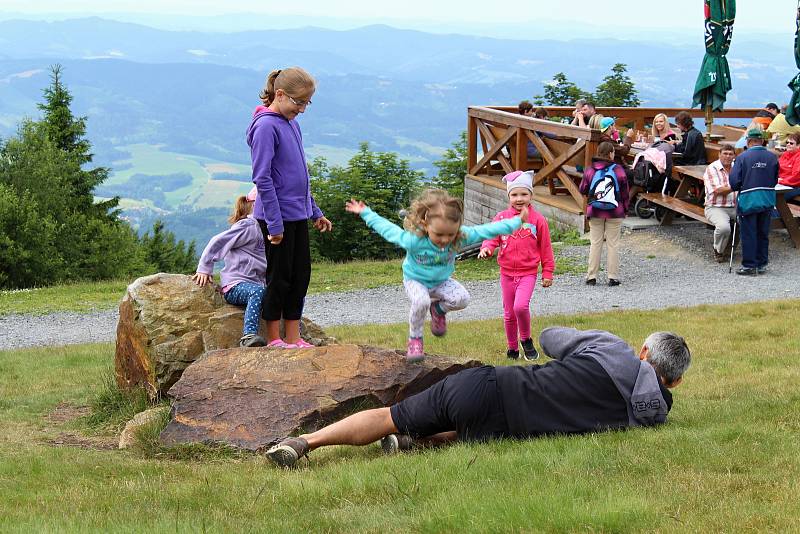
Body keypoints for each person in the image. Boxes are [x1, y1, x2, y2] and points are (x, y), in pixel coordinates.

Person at [266, 327, 691, 468]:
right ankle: (418, 442)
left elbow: (547, 338)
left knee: (389, 414)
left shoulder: (613, 349)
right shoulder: (653, 415)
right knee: (479, 430)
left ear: (644, 353)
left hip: (491, 387)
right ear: (672, 383)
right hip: (506, 429)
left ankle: (304, 444)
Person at [345, 189, 525, 361]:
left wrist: (516, 222)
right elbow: (388, 230)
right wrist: (365, 212)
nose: (445, 240)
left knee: (463, 299)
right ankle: (415, 340)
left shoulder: (459, 237)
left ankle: (437, 310)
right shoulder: (414, 240)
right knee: (421, 301)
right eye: (439, 234)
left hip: (441, 281)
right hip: (415, 281)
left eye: (450, 234)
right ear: (425, 225)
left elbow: (488, 230)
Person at [249, 67, 333, 348]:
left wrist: (315, 211)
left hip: (297, 214)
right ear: (280, 94)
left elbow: (300, 178)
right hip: (276, 219)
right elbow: (263, 178)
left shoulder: (291, 123)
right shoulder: (265, 127)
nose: (303, 109)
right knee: (279, 277)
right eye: (299, 102)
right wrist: (274, 225)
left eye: (307, 103)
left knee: (300, 276)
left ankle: (294, 336)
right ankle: (274, 338)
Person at [478, 171, 554, 361]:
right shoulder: (502, 218)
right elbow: (492, 237)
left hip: (528, 273)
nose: (519, 199)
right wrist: (487, 248)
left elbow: (545, 248)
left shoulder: (538, 220)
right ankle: (512, 349)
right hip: (506, 274)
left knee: (520, 307)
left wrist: (547, 272)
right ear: (508, 196)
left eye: (524, 194)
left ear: (531, 196)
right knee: (509, 313)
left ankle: (526, 339)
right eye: (514, 195)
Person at [192, 194, 268, 347]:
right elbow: (217, 241)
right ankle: (249, 336)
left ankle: (294, 336)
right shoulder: (248, 226)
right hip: (236, 285)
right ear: (257, 206)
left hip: (257, 284)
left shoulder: (268, 228)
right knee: (257, 292)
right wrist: (205, 268)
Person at [729, 129, 779, 276]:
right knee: (763, 232)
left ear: (748, 141)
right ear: (762, 141)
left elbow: (734, 182)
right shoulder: (772, 157)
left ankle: (750, 265)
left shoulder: (742, 157)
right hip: (768, 198)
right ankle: (762, 263)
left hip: (749, 199)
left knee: (749, 233)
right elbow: (775, 179)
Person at [580, 141, 629, 286]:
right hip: (615, 211)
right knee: (613, 244)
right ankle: (612, 276)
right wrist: (625, 209)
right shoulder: (618, 169)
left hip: (595, 211)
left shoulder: (590, 169)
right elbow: (625, 193)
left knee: (595, 243)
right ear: (611, 153)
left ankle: (591, 276)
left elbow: (583, 189)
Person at [701, 144, 737, 263]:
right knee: (724, 228)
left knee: (748, 221)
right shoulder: (712, 168)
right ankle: (719, 250)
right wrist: (737, 185)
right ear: (719, 154)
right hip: (716, 207)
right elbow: (718, 191)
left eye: (730, 154)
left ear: (734, 156)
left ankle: (731, 249)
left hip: (736, 205)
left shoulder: (737, 167)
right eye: (725, 153)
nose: (727, 156)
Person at [778, 132, 800, 202]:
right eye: (787, 142)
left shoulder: (798, 157)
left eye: (791, 143)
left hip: (795, 186)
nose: (788, 144)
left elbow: (796, 176)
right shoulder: (785, 154)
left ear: (798, 145)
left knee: (776, 198)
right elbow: (776, 168)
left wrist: (781, 181)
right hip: (782, 184)